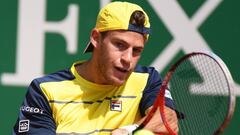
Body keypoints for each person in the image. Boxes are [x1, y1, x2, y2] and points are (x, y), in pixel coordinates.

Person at [13, 1, 178, 135]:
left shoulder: (146, 80)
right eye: (119, 45)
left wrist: (130, 131)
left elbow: (167, 120)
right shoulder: (45, 90)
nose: (128, 59)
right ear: (96, 38)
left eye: (136, 50)